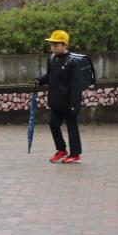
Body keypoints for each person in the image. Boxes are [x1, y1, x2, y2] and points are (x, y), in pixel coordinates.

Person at [36, 30, 83, 164]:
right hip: (56, 101)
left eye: (56, 45)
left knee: (72, 128)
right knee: (53, 124)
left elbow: (76, 86)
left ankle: (75, 155)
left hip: (69, 103)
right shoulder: (52, 59)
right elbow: (50, 76)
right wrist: (40, 80)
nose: (53, 47)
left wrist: (74, 105)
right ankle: (61, 150)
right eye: (52, 44)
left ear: (64, 45)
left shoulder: (73, 62)